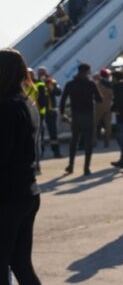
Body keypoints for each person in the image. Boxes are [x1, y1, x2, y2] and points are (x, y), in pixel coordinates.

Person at [0, 49, 42, 285]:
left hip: (7, 197)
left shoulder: (6, 107)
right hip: (28, 192)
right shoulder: (27, 103)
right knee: (21, 264)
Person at [59, 63, 102, 175]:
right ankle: (86, 168)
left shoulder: (70, 84)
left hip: (76, 115)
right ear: (87, 71)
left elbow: (63, 100)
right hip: (88, 115)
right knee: (88, 142)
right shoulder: (91, 84)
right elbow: (99, 99)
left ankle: (71, 165)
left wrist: (62, 113)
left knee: (74, 141)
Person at [35, 68, 62, 158]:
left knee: (53, 132)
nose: (42, 75)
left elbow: (58, 92)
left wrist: (51, 86)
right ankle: (41, 151)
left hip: (51, 111)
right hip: (40, 111)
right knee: (40, 132)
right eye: (40, 73)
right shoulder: (35, 83)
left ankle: (56, 151)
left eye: (43, 73)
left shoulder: (51, 82)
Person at [93, 69, 114, 148]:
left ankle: (94, 141)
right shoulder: (110, 84)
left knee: (94, 124)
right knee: (108, 126)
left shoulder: (96, 84)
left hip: (98, 106)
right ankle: (107, 143)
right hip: (108, 106)